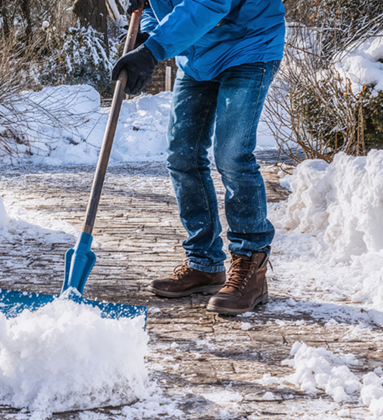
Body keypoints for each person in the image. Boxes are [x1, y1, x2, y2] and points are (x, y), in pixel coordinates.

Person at [111, 0, 285, 314]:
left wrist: (153, 51)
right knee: (182, 155)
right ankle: (204, 263)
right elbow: (154, 5)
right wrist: (148, 32)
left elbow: (209, 4)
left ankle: (251, 267)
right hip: (198, 56)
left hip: (249, 44)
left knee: (232, 155)